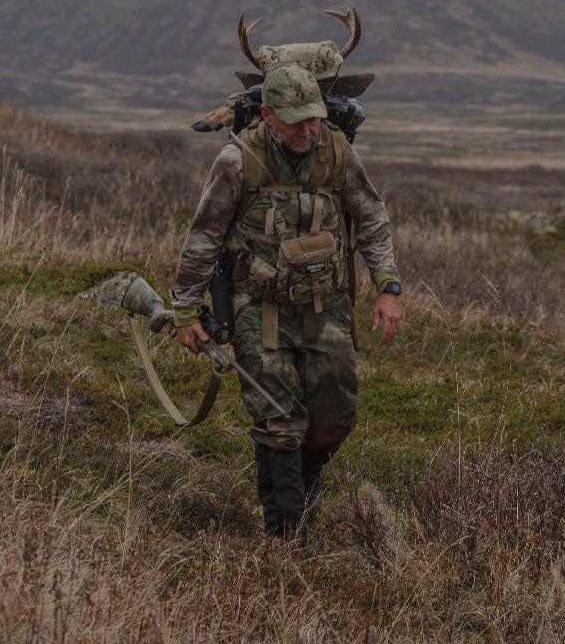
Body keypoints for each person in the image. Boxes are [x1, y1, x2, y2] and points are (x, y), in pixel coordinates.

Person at [172, 58, 401, 541]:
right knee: (280, 420)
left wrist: (388, 286)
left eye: (314, 117)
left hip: (325, 304)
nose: (308, 129)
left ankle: (301, 484)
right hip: (260, 307)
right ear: (269, 116)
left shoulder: (338, 153)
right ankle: (284, 535)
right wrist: (186, 310)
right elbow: (204, 236)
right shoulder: (237, 161)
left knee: (334, 417)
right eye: (296, 121)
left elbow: (372, 219)